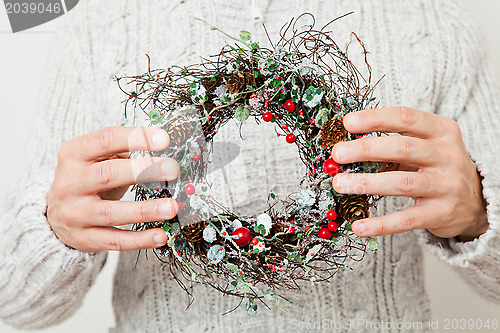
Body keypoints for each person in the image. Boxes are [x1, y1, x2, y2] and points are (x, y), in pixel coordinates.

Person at [1, 0, 499, 332]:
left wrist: (479, 215)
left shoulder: (435, 20)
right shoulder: (100, 27)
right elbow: (15, 304)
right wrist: (55, 230)